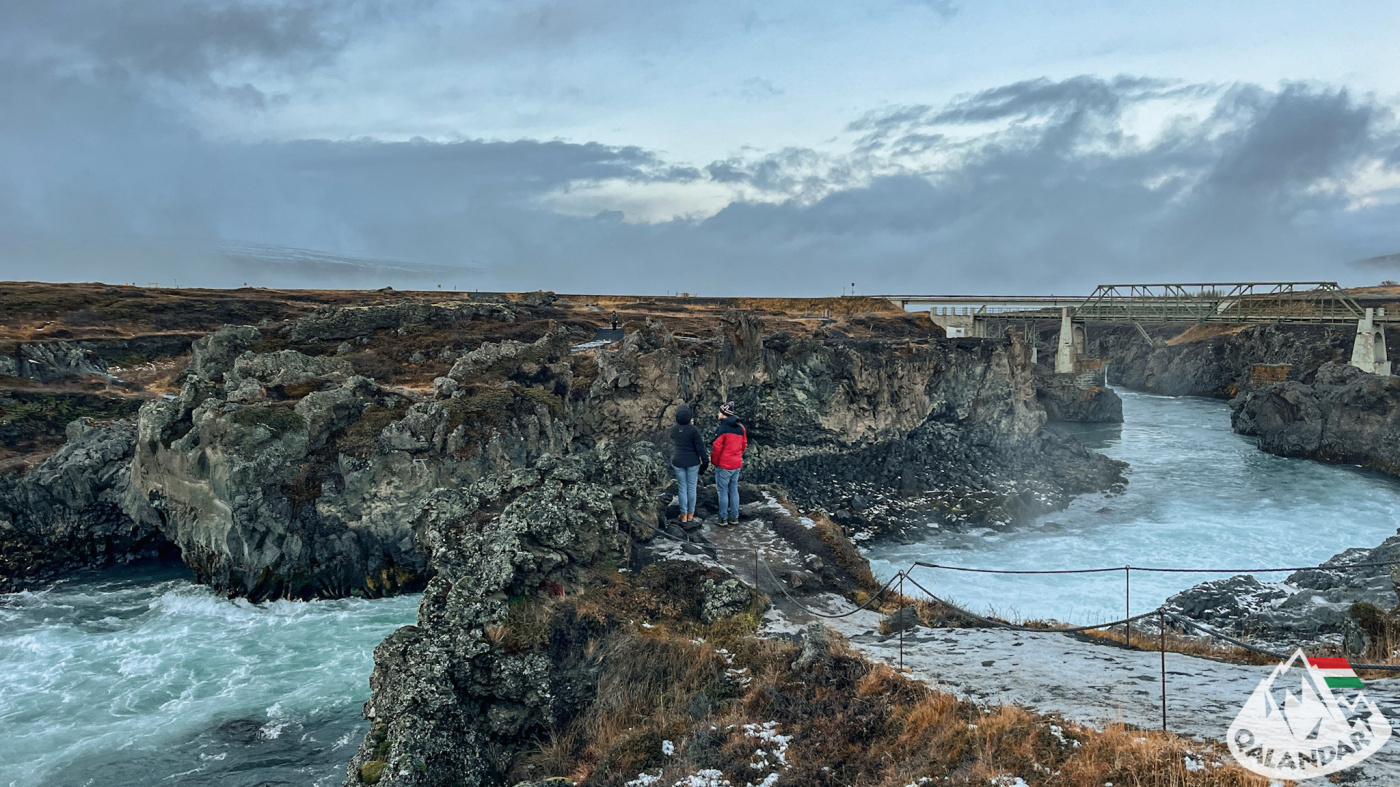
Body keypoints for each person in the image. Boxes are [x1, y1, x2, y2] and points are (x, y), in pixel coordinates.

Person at [710, 401, 748, 525]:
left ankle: (723, 518)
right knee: (733, 489)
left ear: (724, 414)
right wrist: (737, 456)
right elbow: (744, 444)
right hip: (736, 464)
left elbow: (716, 447)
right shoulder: (741, 427)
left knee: (722, 491)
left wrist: (715, 462)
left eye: (720, 412)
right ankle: (734, 517)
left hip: (724, 465)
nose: (717, 413)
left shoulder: (723, 428)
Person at [668, 404, 707, 523]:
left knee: (682, 488)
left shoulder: (673, 429)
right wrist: (705, 463)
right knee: (691, 488)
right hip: (693, 462)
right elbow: (700, 448)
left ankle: (683, 514)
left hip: (678, 461)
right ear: (689, 417)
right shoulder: (693, 430)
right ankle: (691, 514)